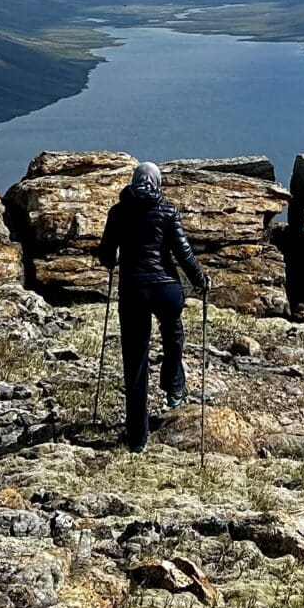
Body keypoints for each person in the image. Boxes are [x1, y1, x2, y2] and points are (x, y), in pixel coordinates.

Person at [96, 160, 207, 451]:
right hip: (165, 290)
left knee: (135, 362)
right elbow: (183, 252)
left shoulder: (118, 213)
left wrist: (117, 257)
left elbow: (106, 256)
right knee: (173, 334)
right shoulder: (168, 211)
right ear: (157, 183)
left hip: (133, 291)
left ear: (133, 182)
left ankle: (137, 440)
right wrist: (200, 279)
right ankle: (173, 384)